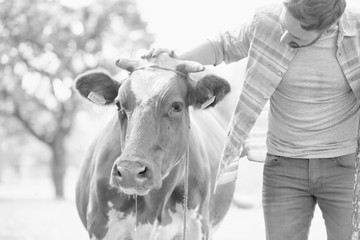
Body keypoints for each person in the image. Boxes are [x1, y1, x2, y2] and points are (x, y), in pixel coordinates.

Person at [142, 0, 360, 239]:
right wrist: (173, 61)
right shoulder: (265, 21)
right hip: (284, 168)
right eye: (283, 25)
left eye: (295, 36)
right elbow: (222, 45)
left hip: (343, 168)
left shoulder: (355, 31)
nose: (283, 38)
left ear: (327, 28)